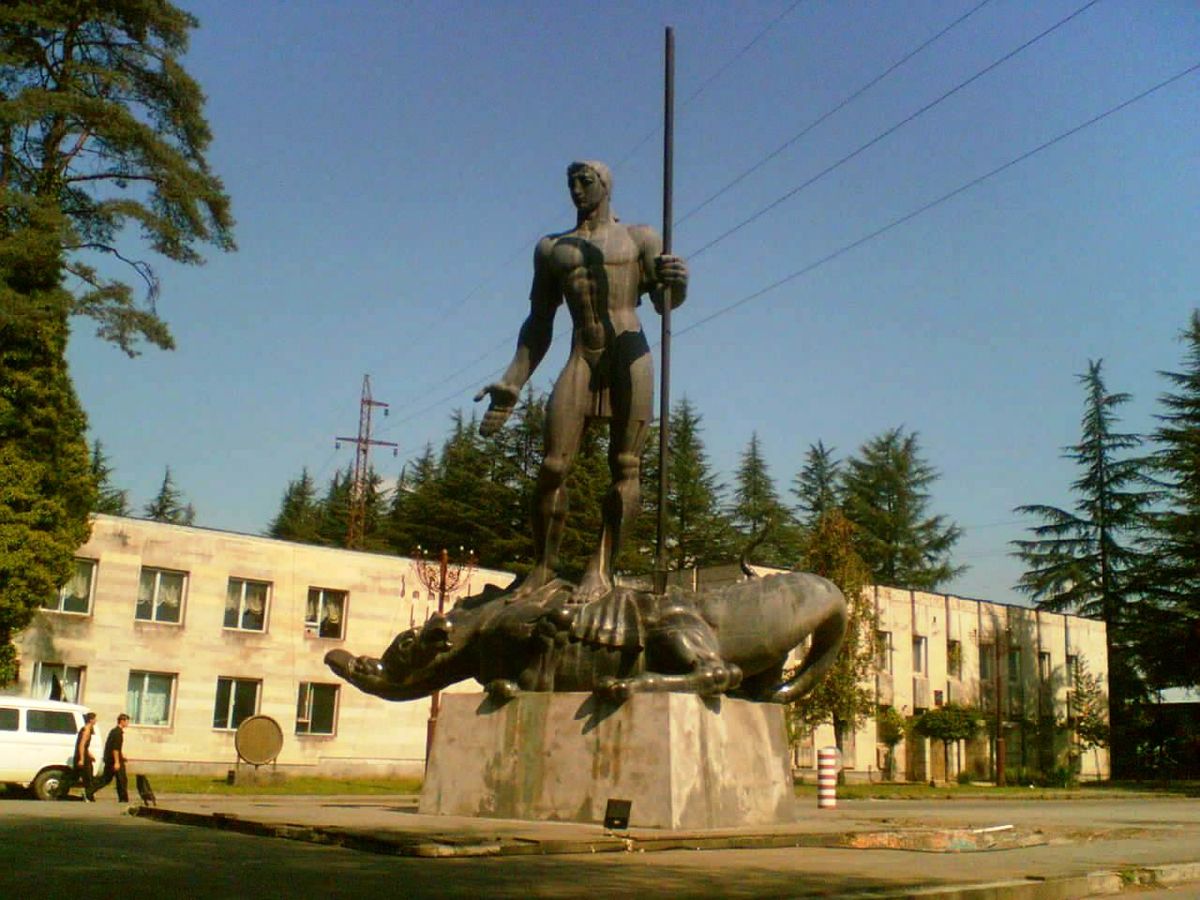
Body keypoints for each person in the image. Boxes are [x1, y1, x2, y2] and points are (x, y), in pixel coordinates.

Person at [476, 160, 687, 601]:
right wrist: (513, 383)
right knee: (553, 466)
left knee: (626, 466)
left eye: (584, 181)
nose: (575, 189)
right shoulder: (552, 249)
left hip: (628, 354)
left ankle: (601, 567)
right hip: (582, 358)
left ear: (605, 185)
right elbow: (539, 321)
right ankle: (543, 567)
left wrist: (677, 282)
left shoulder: (640, 238)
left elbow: (664, 303)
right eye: (570, 182)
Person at [58, 711, 97, 801]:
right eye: (95, 719)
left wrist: (90, 755)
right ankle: (89, 796)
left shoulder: (87, 730)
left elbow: (85, 746)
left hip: (83, 755)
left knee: (75, 776)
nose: (96, 721)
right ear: (91, 720)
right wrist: (82, 759)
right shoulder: (86, 730)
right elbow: (81, 745)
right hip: (82, 757)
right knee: (87, 777)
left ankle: (61, 792)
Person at [91, 713, 129, 802]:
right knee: (122, 780)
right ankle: (123, 799)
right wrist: (117, 762)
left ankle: (89, 790)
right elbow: (115, 749)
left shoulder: (114, 731)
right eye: (127, 721)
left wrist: (122, 756)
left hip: (110, 759)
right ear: (122, 721)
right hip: (114, 760)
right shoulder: (118, 733)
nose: (127, 723)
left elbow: (115, 747)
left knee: (106, 779)